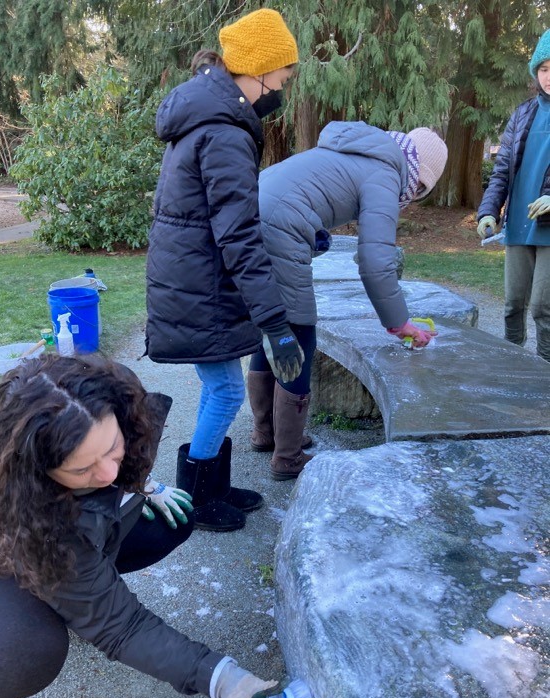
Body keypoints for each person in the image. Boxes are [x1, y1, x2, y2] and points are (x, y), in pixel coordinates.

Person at [0, 354, 280, 698]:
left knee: (173, 519)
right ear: (40, 471)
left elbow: (112, 472)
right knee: (31, 647)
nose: (107, 473)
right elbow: (121, 628)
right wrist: (223, 679)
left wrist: (145, 486)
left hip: (60, 547)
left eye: (112, 449)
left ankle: (71, 597)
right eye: (83, 469)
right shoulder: (31, 509)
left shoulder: (107, 415)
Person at [145, 8, 305, 532]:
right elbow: (237, 234)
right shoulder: (226, 133)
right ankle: (194, 498)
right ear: (257, 70)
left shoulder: (207, 117)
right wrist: (276, 327)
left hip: (193, 280)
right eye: (283, 73)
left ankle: (211, 483)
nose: (285, 84)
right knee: (226, 391)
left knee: (221, 388)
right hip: (199, 287)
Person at [249, 122, 448, 479]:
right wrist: (399, 322)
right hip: (277, 226)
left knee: (272, 323)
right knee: (298, 333)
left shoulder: (359, 151)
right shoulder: (387, 173)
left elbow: (306, 190)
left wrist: (315, 231)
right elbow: (375, 261)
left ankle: (267, 432)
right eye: (420, 191)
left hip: (251, 213)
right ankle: (288, 456)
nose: (413, 197)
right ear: (421, 177)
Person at [476, 30, 550, 363]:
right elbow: (502, 170)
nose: (549, 76)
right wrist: (488, 212)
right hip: (518, 224)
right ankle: (511, 367)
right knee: (512, 305)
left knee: (543, 308)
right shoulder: (521, 114)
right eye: (544, 68)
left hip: (549, 230)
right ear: (535, 72)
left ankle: (545, 374)